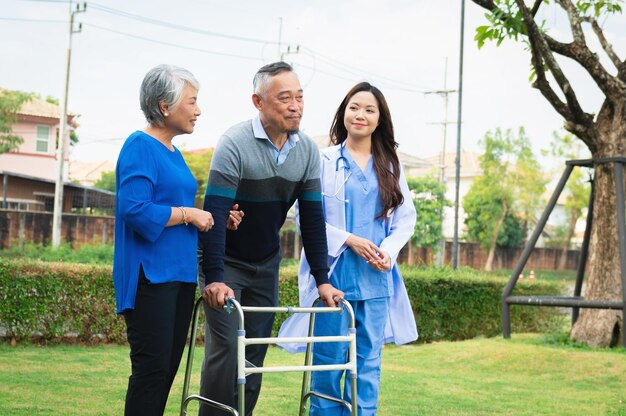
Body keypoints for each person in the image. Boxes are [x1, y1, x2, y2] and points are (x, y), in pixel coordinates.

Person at [197, 61, 344, 416]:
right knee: (227, 352)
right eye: (284, 98)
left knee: (254, 354)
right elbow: (215, 215)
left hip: (265, 264)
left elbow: (311, 219)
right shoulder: (235, 143)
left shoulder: (307, 151)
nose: (295, 106)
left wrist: (322, 280)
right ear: (258, 101)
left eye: (300, 97)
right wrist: (214, 277)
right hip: (226, 263)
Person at [280, 82, 418, 415]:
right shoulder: (322, 160)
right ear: (343, 112)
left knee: (367, 364)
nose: (360, 115)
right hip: (332, 278)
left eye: (370, 110)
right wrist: (349, 239)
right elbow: (305, 216)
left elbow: (405, 218)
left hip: (375, 279)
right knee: (328, 362)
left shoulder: (390, 166)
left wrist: (388, 249)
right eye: (354, 107)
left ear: (379, 119)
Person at [113, 64, 241, 416]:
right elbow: (135, 210)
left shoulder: (173, 152)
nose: (198, 110)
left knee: (165, 371)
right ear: (164, 106)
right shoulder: (140, 146)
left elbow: (170, 209)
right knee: (151, 372)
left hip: (179, 276)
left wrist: (211, 220)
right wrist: (189, 214)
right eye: (192, 102)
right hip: (149, 278)